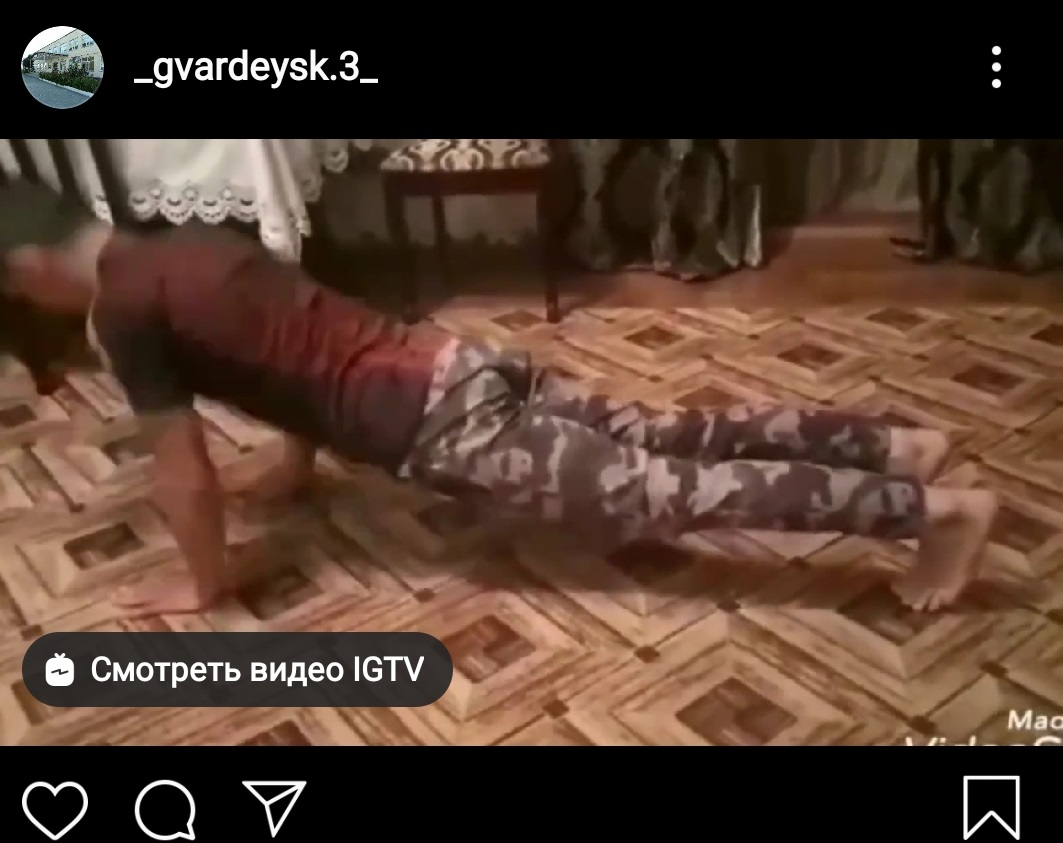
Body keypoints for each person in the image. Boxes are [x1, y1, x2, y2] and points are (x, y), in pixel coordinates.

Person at [0, 181, 997, 618]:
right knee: (674, 434)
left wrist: (204, 583)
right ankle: (893, 447)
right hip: (457, 361)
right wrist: (299, 465)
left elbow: (184, 473)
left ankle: (932, 514)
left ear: (32, 267)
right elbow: (284, 337)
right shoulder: (181, 235)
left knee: (667, 492)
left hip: (437, 418)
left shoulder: (120, 311)